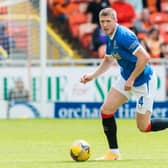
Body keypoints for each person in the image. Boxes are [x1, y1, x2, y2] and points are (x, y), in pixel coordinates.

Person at [80, 7, 168, 160]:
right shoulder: (110, 36)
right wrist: (92, 76)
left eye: (108, 21)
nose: (105, 25)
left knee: (144, 127)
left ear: (116, 21)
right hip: (127, 79)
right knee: (106, 110)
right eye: (102, 22)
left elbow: (145, 58)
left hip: (143, 81)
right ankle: (113, 153)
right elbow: (108, 60)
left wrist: (132, 79)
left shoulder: (124, 36)